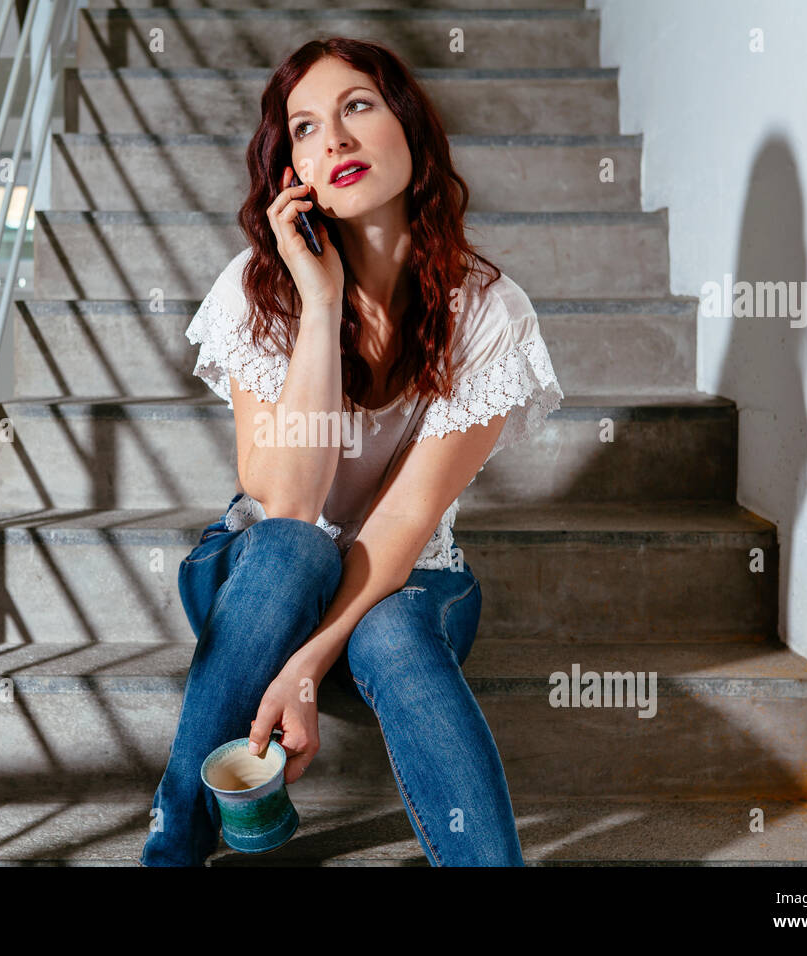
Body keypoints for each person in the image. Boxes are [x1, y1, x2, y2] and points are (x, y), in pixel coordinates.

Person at [139, 37, 564, 867]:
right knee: (294, 548)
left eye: (357, 108)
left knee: (398, 630)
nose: (331, 140)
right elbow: (286, 503)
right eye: (304, 128)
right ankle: (173, 850)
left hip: (405, 580)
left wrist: (304, 667)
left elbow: (402, 528)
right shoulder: (259, 291)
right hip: (260, 587)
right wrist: (321, 296)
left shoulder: (491, 314)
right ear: (289, 168)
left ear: (410, 128)